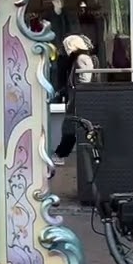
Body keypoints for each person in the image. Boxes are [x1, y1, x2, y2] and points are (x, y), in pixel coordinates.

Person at [52, 34, 96, 166]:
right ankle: (61, 154)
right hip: (76, 98)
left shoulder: (81, 59)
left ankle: (61, 154)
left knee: (70, 127)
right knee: (72, 127)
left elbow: (84, 80)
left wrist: (75, 95)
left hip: (78, 99)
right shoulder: (78, 58)